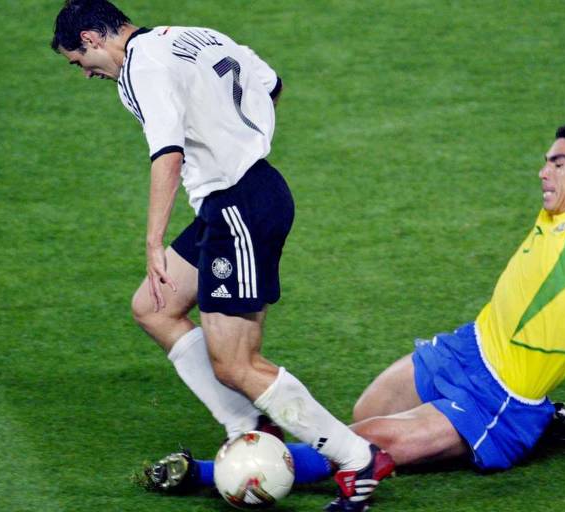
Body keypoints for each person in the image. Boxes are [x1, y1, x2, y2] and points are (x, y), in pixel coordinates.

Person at [147, 120, 565, 495]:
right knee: (363, 410)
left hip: (502, 397)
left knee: (368, 443)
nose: (543, 170)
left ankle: (210, 473)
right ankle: (550, 425)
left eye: (557, 161)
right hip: (469, 346)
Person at [50, 1, 393, 510]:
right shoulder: (194, 35)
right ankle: (247, 425)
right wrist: (237, 136)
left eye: (79, 62)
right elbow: (271, 83)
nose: (86, 74)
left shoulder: (139, 65)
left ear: (92, 39)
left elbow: (167, 152)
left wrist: (152, 239)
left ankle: (357, 458)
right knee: (154, 306)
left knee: (236, 362)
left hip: (240, 207)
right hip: (238, 200)